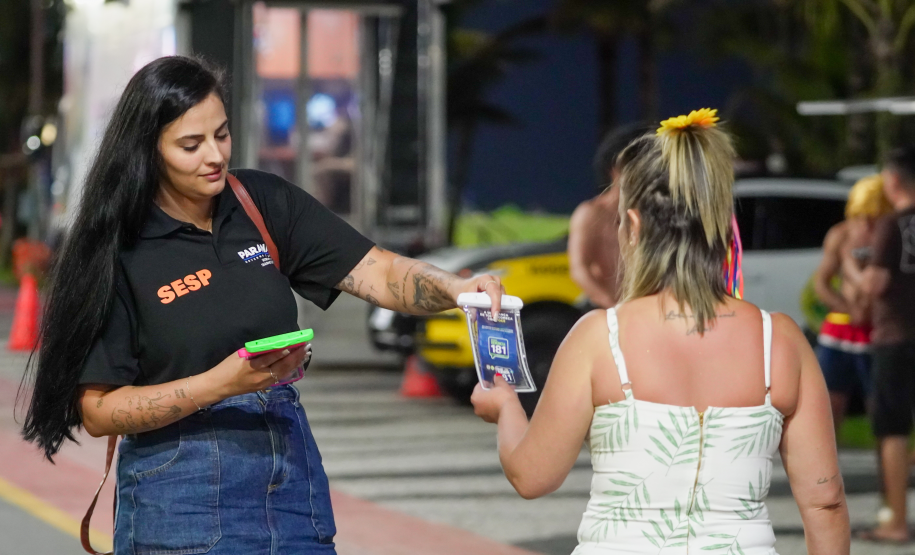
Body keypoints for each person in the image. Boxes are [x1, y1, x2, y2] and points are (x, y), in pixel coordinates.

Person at [19, 56, 506, 555]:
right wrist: (220, 384)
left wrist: (455, 289)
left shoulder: (260, 202)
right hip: (179, 492)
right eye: (191, 144)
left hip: (289, 472)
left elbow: (377, 270)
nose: (214, 156)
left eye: (222, 134)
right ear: (148, 151)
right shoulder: (118, 246)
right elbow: (98, 410)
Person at [471, 109, 849, 554]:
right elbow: (824, 502)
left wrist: (506, 407)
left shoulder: (599, 338)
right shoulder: (780, 341)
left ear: (633, 225)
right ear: (724, 225)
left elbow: (533, 475)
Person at [854, 146, 915, 544]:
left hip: (897, 338)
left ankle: (895, 522)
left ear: (892, 181)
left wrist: (850, 266)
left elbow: (875, 284)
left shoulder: (893, 225)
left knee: (892, 429)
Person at [812, 174, 893, 429]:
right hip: (840, 330)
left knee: (880, 413)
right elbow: (821, 284)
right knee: (827, 410)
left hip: (877, 333)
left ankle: (887, 467)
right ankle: (827, 469)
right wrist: (847, 308)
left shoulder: (894, 237)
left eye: (874, 217)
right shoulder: (840, 234)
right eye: (861, 216)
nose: (867, 225)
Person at [568, 125, 648, 309]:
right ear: (615, 168)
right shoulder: (591, 212)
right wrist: (612, 308)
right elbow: (579, 269)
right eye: (638, 164)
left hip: (644, 311)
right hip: (606, 309)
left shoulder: (653, 211)